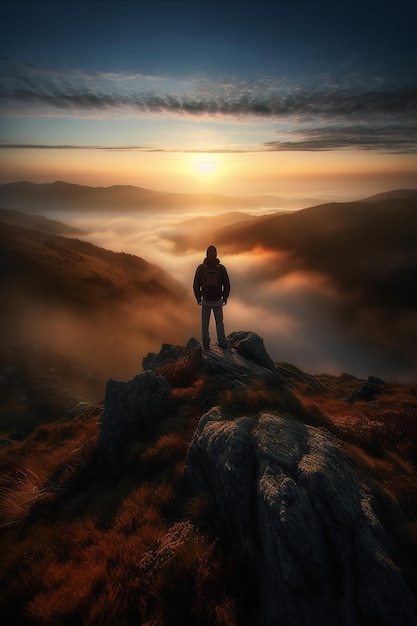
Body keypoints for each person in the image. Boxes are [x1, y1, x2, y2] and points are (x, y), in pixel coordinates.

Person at [193, 245, 230, 349]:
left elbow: (196, 284)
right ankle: (222, 342)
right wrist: (225, 297)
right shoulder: (221, 268)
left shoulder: (201, 268)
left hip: (205, 299)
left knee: (205, 322)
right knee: (219, 322)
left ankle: (206, 343)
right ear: (216, 254)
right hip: (218, 300)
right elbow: (227, 284)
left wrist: (198, 297)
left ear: (206, 254)